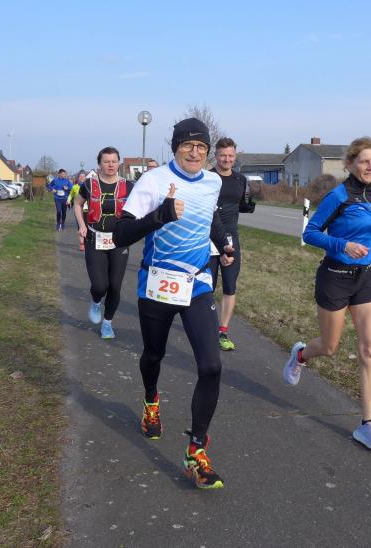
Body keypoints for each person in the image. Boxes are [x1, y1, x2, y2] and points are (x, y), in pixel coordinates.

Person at [113, 118, 234, 490]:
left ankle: (196, 452)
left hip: (197, 283)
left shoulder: (212, 182)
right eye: (188, 145)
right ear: (175, 147)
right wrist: (160, 216)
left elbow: (209, 215)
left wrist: (223, 244)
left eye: (202, 147)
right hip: (158, 286)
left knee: (211, 366)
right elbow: (120, 233)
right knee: (154, 355)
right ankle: (151, 401)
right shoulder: (153, 181)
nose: (195, 152)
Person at [282, 137, 371, 451]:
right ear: (350, 164)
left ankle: (367, 424)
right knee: (329, 347)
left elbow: (370, 229)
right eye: (364, 161)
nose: (370, 167)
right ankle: (301, 355)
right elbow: (310, 233)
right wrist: (343, 245)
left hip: (366, 277)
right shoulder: (338, 197)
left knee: (370, 350)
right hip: (335, 278)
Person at [74, 149, 133, 339]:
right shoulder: (89, 184)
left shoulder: (128, 186)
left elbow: (139, 208)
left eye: (114, 161)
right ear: (99, 164)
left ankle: (107, 323)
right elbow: (77, 204)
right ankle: (96, 300)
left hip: (119, 241)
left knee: (115, 287)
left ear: (119, 163)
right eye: (106, 161)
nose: (110, 165)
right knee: (100, 286)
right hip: (95, 238)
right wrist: (81, 225)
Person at [209, 137, 256, 351]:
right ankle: (205, 325)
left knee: (230, 286)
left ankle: (223, 331)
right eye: (223, 155)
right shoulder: (207, 178)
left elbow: (240, 205)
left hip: (231, 237)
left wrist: (249, 205)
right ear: (216, 156)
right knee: (206, 287)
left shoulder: (240, 179)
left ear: (235, 156)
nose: (227, 159)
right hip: (208, 237)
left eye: (230, 156)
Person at [68, 170, 87, 251]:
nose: (82, 177)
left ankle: (87, 242)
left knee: (88, 226)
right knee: (80, 226)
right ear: (78, 178)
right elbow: (71, 194)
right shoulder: (74, 187)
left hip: (89, 210)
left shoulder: (89, 186)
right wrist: (68, 200)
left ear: (85, 177)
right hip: (79, 210)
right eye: (80, 176)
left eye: (83, 176)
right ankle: (82, 243)